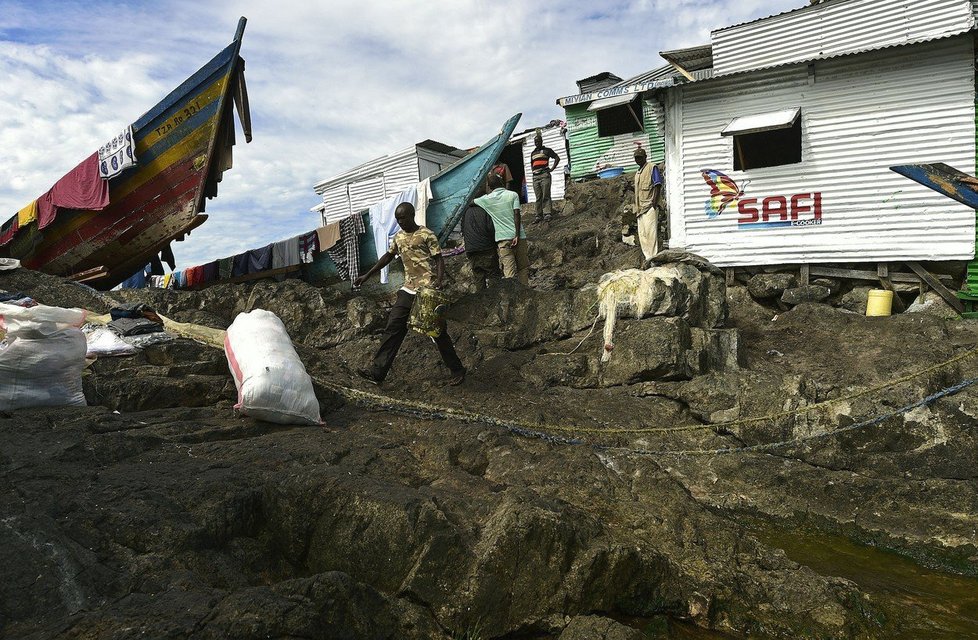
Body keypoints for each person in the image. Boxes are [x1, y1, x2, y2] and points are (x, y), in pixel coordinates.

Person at [354, 202, 466, 386]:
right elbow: (387, 257)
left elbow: (439, 259)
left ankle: (457, 370)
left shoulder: (426, 234)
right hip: (407, 289)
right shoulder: (398, 237)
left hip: (427, 291)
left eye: (403, 218)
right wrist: (367, 275)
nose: (400, 222)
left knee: (437, 332)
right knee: (393, 328)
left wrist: (438, 280)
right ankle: (377, 373)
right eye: (397, 219)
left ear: (412, 215)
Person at [475, 173, 530, 286]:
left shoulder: (486, 200)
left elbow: (471, 202)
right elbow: (516, 214)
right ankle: (526, 293)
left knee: (509, 271)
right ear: (502, 183)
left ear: (489, 187)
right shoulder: (513, 195)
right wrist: (517, 235)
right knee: (523, 268)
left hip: (502, 240)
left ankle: (512, 296)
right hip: (519, 237)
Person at [633, 147, 664, 260]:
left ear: (645, 157)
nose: (638, 160)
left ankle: (653, 258)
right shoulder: (637, 173)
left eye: (640, 157)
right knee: (643, 235)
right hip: (640, 208)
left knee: (651, 235)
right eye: (636, 158)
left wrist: (654, 204)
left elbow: (657, 185)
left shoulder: (651, 167)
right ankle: (648, 258)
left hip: (649, 207)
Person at [461, 201, 499, 289]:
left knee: (478, 276)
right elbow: (491, 228)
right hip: (486, 248)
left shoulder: (466, 211)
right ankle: (496, 298)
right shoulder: (485, 210)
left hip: (471, 250)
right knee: (493, 274)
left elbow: (463, 230)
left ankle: (481, 299)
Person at [529, 131, 560, 223]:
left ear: (542, 141)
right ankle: (538, 215)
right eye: (535, 142)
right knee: (538, 197)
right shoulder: (533, 153)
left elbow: (557, 158)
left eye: (538, 141)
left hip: (544, 175)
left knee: (545, 195)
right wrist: (533, 171)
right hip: (535, 177)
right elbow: (532, 164)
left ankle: (547, 214)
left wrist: (552, 169)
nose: (537, 143)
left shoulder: (547, 150)